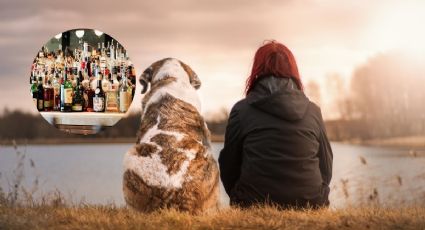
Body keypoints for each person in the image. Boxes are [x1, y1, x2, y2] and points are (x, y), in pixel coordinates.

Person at [218, 40, 333, 209]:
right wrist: (316, 194)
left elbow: (229, 165)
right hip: (311, 203)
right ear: (293, 70)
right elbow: (326, 166)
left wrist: (239, 196)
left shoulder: (241, 111)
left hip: (252, 203)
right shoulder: (313, 111)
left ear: (257, 70)